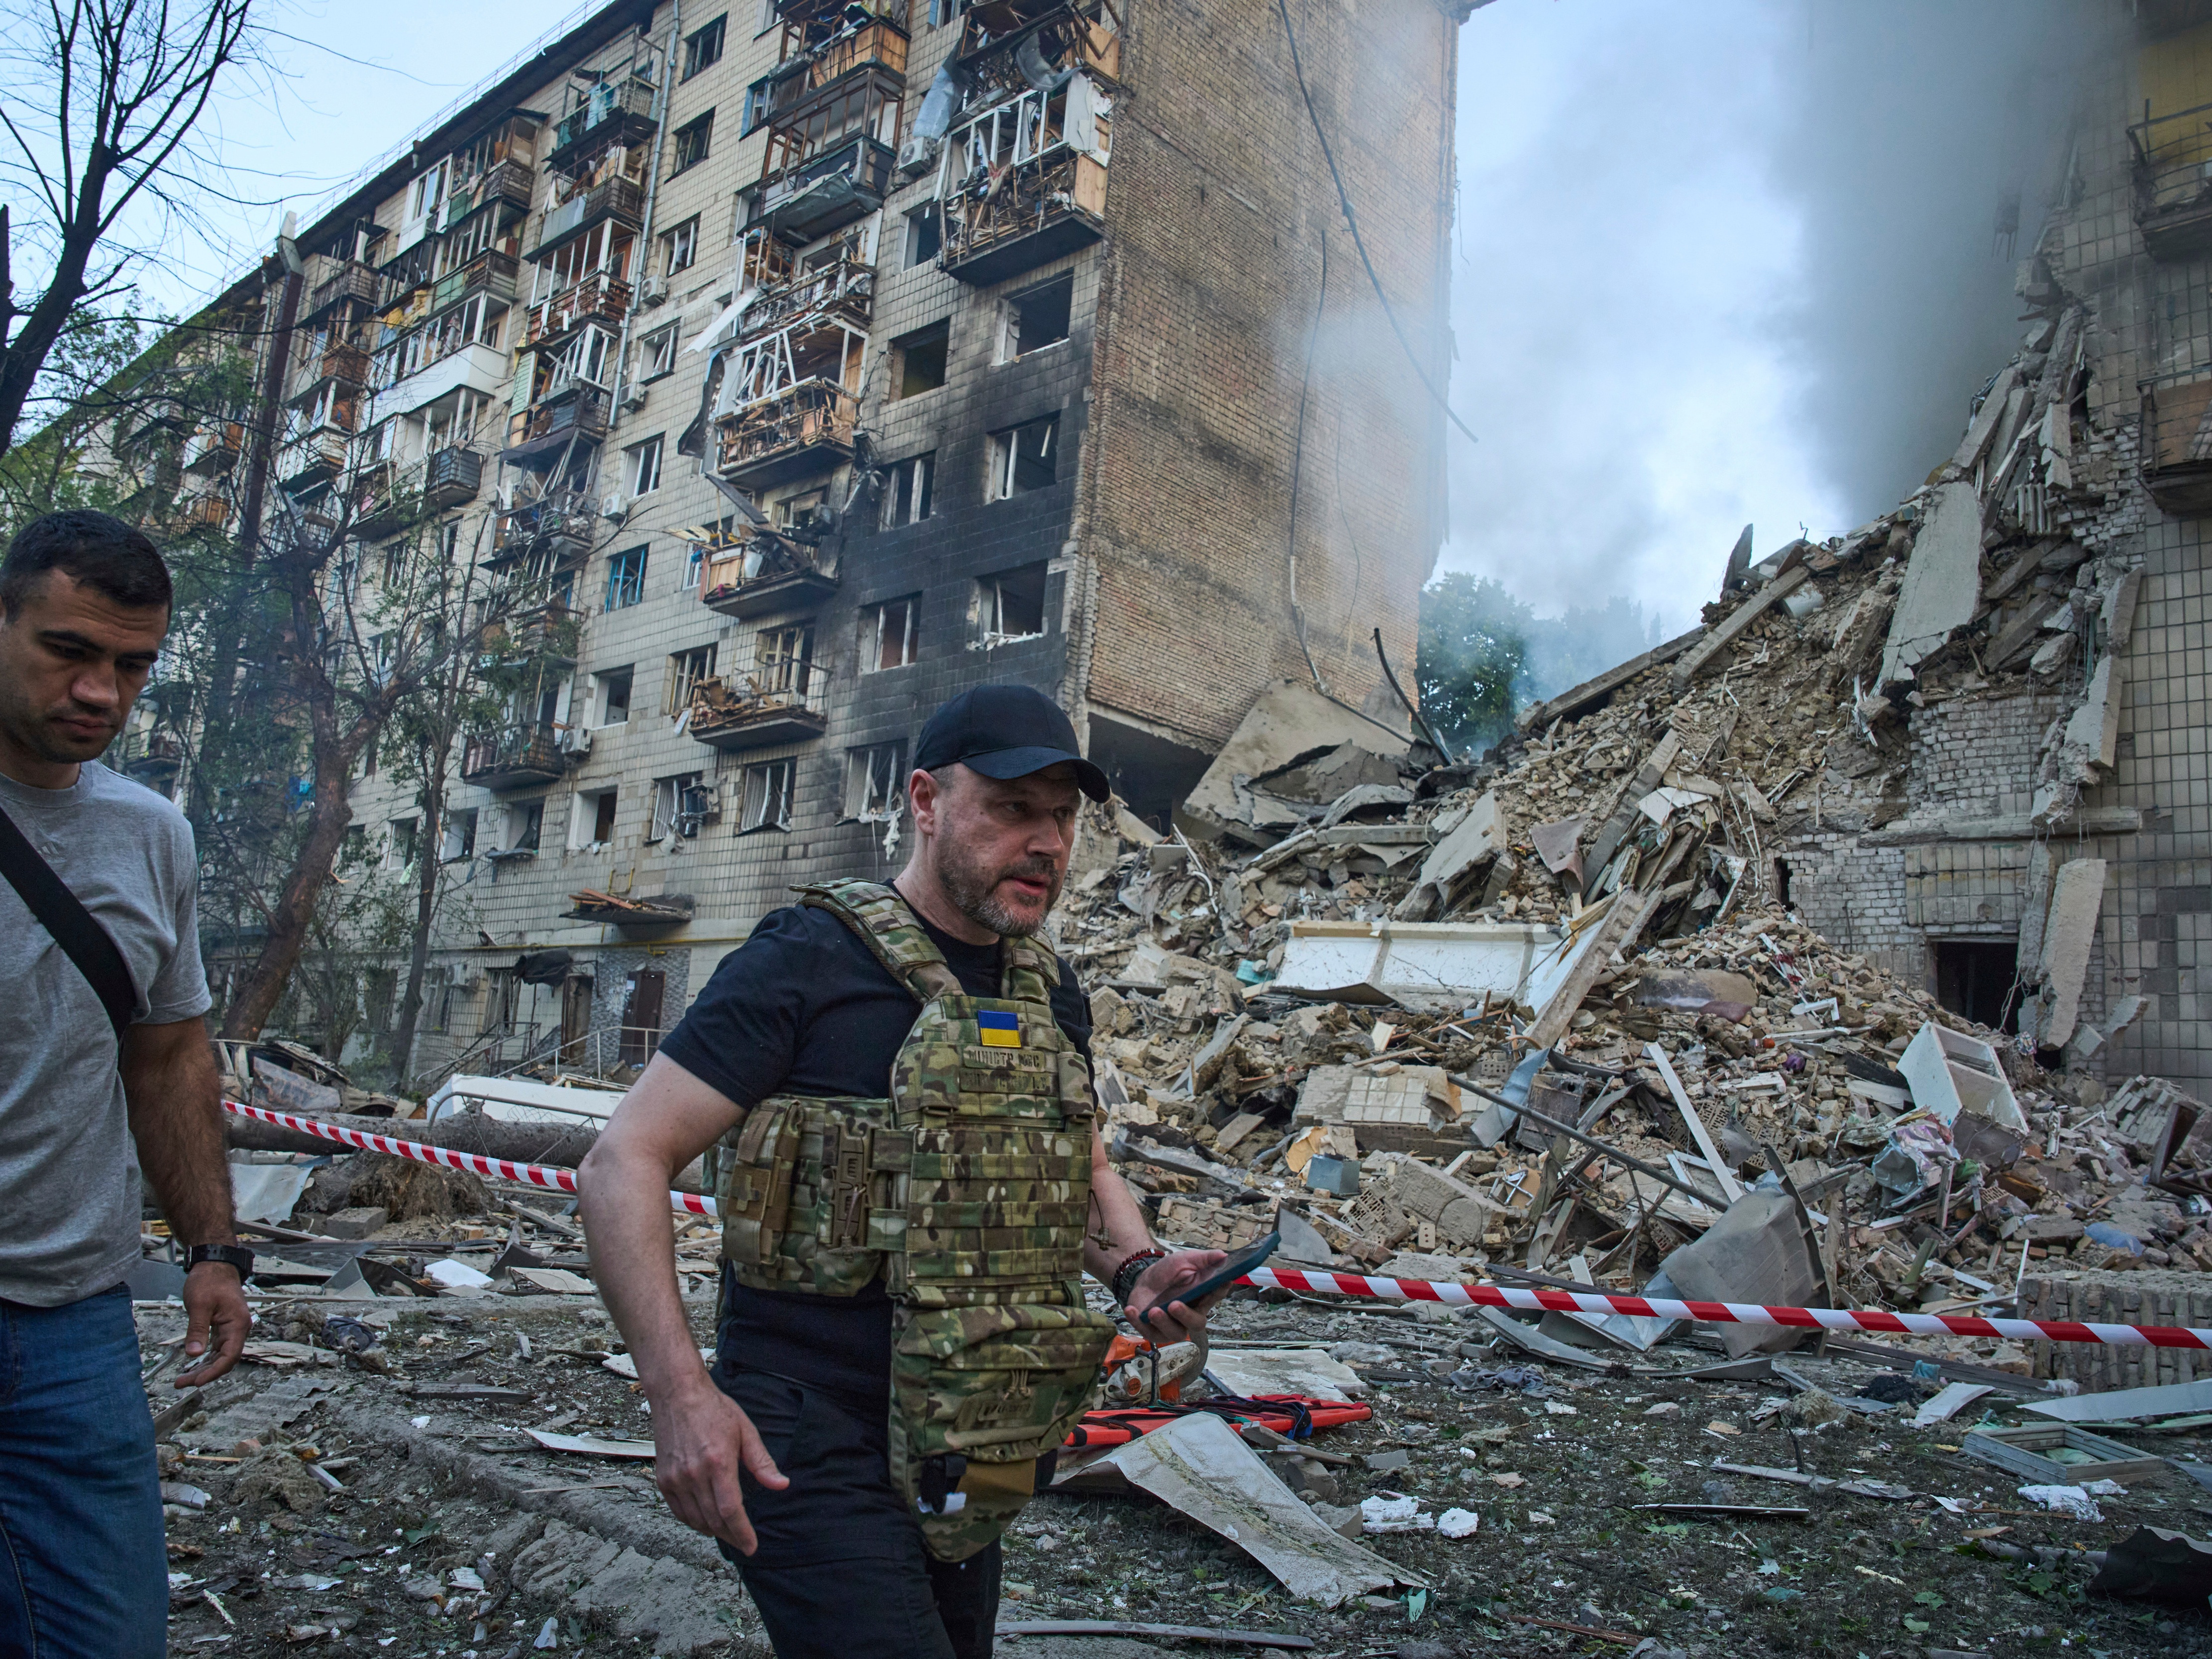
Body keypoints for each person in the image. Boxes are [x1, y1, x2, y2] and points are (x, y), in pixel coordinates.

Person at [581, 684, 1228, 1659]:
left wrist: (1140, 1268)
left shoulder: (1050, 989)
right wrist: (679, 1396)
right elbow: (621, 1157)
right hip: (806, 1430)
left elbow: (1074, 1156)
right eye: (1014, 806)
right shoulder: (806, 957)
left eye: (1063, 814)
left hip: (988, 1430)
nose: (1048, 839)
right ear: (925, 801)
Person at [0, 511, 249, 1657]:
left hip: (72, 1323)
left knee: (105, 1634)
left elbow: (168, 1054)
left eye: (133, 665)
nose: (101, 690)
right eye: (69, 651)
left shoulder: (153, 836)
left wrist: (212, 1247)